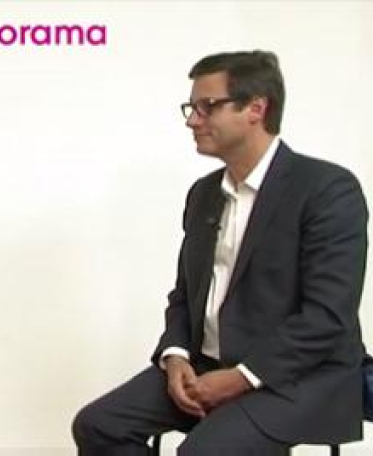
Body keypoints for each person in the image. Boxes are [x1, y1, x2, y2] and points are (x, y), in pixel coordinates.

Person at [72, 50, 368, 455]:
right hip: (207, 366)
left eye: (207, 106)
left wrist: (242, 376)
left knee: (203, 452)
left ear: (256, 109)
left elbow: (327, 317)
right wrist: (175, 356)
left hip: (300, 377)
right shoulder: (204, 194)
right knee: (99, 425)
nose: (193, 120)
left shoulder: (327, 189)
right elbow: (185, 294)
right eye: (191, 108)